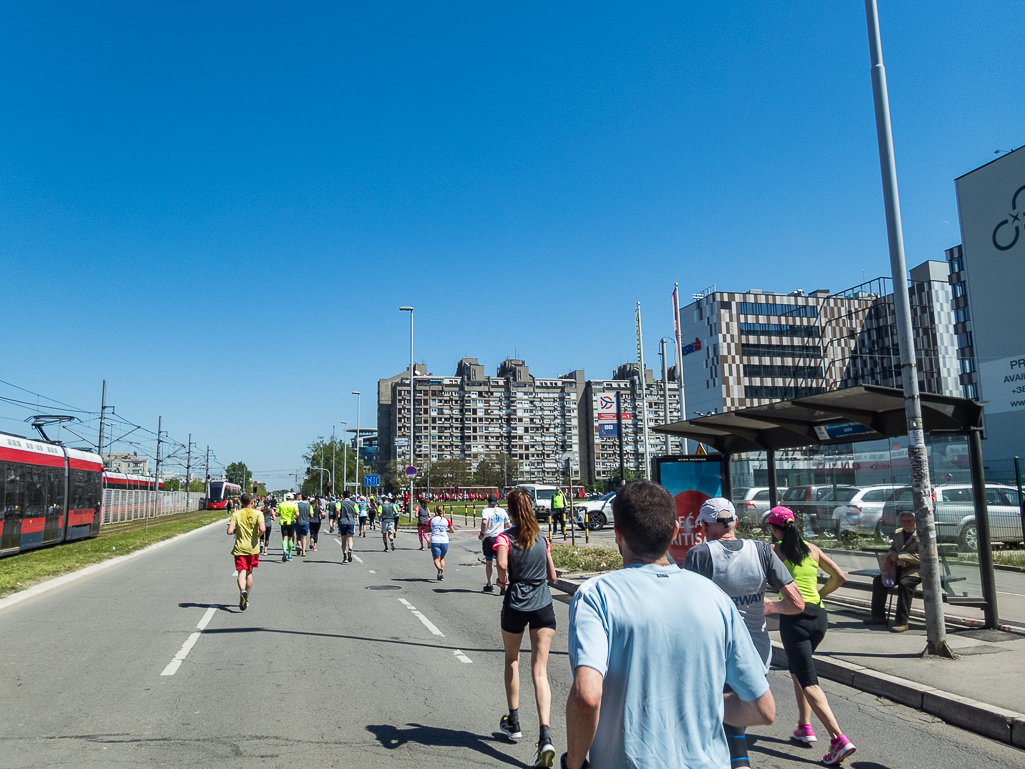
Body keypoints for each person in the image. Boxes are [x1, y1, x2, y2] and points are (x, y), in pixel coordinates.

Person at [566, 481, 775, 769]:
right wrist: (704, 705)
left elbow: (587, 696)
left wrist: (574, 763)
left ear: (618, 535)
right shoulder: (715, 598)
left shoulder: (597, 596)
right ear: (675, 530)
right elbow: (763, 709)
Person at [683, 497, 804, 769]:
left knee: (715, 731)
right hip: (757, 653)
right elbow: (797, 604)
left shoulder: (700, 555)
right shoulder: (761, 550)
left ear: (704, 526)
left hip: (717, 655)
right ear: (735, 522)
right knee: (735, 729)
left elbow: (687, 610)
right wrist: (767, 606)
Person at [765, 506, 855, 765]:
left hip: (795, 620)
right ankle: (804, 726)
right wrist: (820, 596)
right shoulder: (811, 548)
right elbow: (839, 576)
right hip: (819, 618)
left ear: (774, 528)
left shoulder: (775, 551)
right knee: (797, 670)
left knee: (808, 680)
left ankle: (838, 739)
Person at [495, 488, 559, 768]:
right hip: (543, 605)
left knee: (512, 660)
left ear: (509, 511)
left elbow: (501, 564)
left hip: (516, 604)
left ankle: (514, 721)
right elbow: (553, 575)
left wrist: (502, 579)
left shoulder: (505, 537)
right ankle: (545, 736)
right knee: (540, 671)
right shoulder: (541, 537)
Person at [865, 511, 920, 632]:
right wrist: (894, 557)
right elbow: (892, 550)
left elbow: (923, 557)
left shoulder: (921, 534)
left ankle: (902, 622)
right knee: (879, 582)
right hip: (898, 568)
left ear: (915, 521)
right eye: (903, 521)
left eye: (909, 520)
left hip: (916, 570)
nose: (907, 523)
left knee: (905, 585)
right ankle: (878, 617)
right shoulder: (897, 533)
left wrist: (901, 557)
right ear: (900, 522)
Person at [227, 492, 265, 611]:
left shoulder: (236, 514)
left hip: (240, 548)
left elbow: (229, 531)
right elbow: (263, 529)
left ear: (241, 503)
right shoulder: (258, 513)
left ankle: (242, 591)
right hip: (253, 548)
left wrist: (235, 532)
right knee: (249, 573)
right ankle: (246, 597)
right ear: (252, 502)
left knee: (241, 573)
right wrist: (258, 535)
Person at [479, 493, 511, 593]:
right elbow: (508, 524)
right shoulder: (502, 511)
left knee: (488, 562)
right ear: (497, 502)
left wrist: (482, 533)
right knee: (500, 562)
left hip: (489, 538)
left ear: (488, 502)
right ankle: (502, 584)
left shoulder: (486, 511)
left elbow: (484, 522)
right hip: (500, 538)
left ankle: (489, 584)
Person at [429, 505, 455, 581]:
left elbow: (426, 529)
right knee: (442, 558)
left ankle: (439, 569)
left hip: (435, 540)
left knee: (436, 559)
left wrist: (433, 530)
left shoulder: (432, 520)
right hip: (444, 540)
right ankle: (441, 575)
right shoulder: (446, 520)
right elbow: (452, 530)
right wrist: (446, 530)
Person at [277, 493, 298, 562]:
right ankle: (289, 555)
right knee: (290, 538)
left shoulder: (281, 504)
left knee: (284, 537)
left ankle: (284, 551)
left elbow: (277, 513)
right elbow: (297, 514)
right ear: (292, 498)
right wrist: (294, 517)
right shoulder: (294, 505)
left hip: (283, 522)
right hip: (291, 522)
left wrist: (281, 515)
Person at [337, 491, 357, 563]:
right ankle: (350, 550)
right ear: (349, 496)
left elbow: (337, 509)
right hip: (351, 522)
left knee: (343, 540)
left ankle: (345, 556)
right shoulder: (353, 503)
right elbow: (357, 512)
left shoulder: (340, 503)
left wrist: (338, 516)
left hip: (342, 522)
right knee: (350, 538)